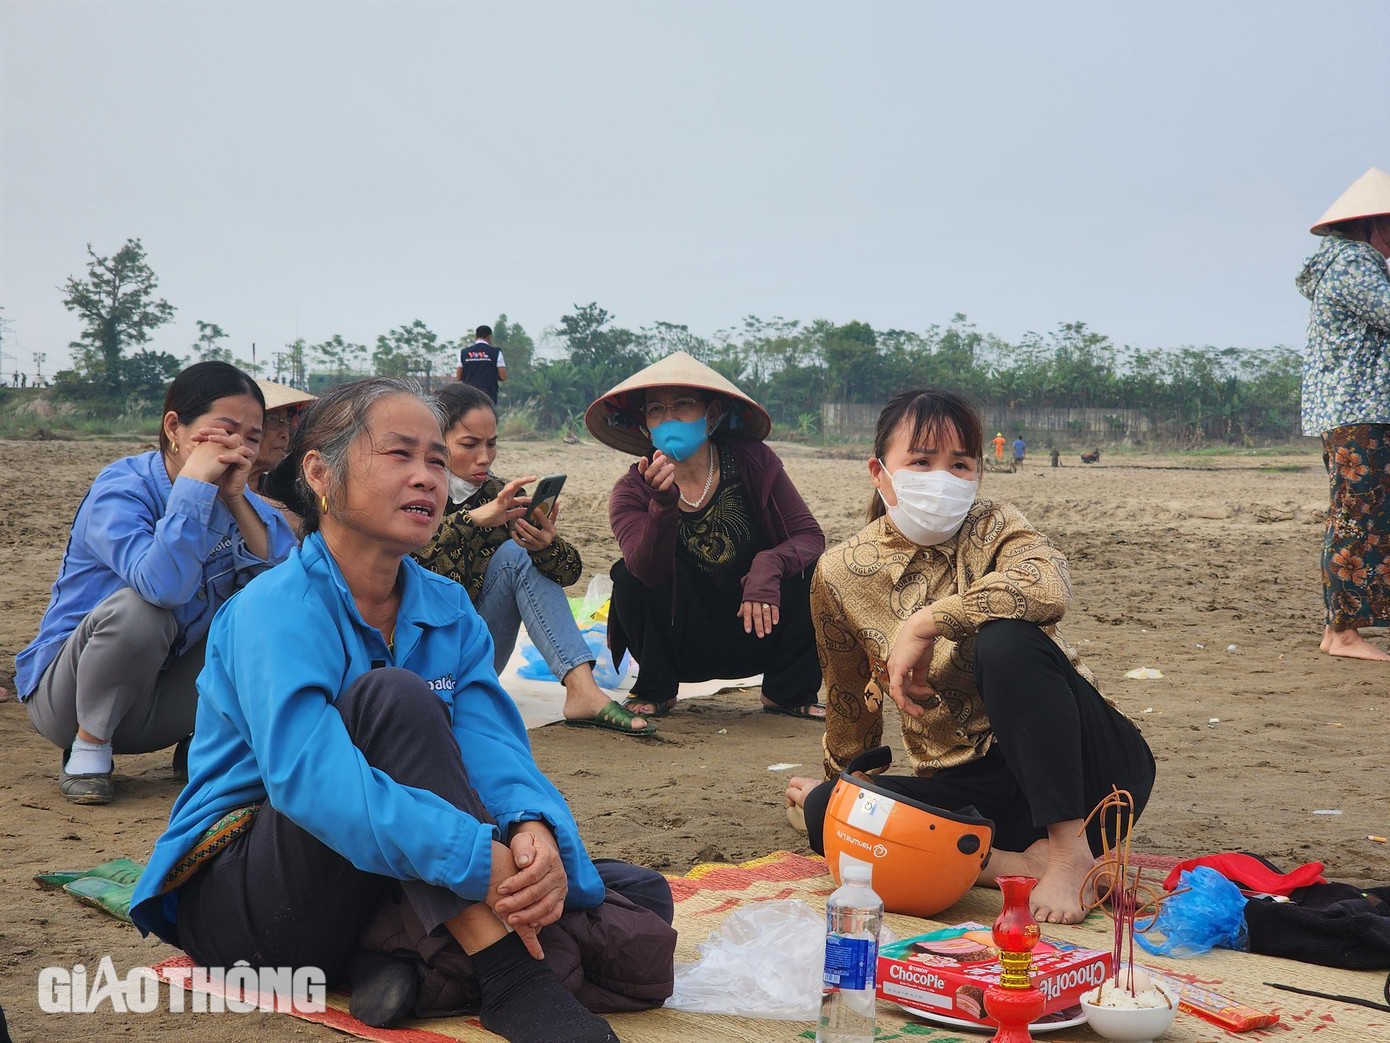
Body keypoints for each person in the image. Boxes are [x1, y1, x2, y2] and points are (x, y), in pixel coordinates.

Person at [129, 378, 676, 1042]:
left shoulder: (447, 607)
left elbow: (491, 746)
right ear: (320, 472)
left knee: (635, 890)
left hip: (362, 884)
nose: (427, 477)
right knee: (394, 699)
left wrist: (532, 829)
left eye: (438, 461)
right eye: (400, 455)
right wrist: (477, 857)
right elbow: (314, 785)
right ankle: (508, 976)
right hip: (253, 904)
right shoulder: (274, 609)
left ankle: (398, 955)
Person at [785, 389, 1154, 924]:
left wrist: (928, 622)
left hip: (1091, 775)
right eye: (921, 462)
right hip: (974, 796)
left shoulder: (996, 526)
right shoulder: (839, 572)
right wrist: (843, 790)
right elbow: (848, 698)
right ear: (878, 472)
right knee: (830, 811)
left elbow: (1050, 587)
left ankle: (1070, 852)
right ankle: (1021, 863)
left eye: (960, 464)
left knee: (1004, 640)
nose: (942, 478)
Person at [14, 362, 297, 805]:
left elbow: (288, 586)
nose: (237, 447)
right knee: (141, 611)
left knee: (263, 611)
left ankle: (208, 739)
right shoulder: (123, 488)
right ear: (174, 428)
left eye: (252, 437)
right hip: (69, 701)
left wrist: (235, 498)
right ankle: (89, 748)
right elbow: (163, 586)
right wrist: (194, 487)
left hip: (160, 706)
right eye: (224, 431)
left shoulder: (235, 497)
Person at [585, 351, 825, 721]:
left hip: (757, 625)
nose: (669, 419)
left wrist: (769, 564)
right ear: (645, 424)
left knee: (819, 571)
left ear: (711, 415)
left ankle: (787, 691)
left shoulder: (753, 462)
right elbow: (647, 570)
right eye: (656, 409)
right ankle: (655, 689)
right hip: (680, 646)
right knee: (627, 574)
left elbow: (808, 535)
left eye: (683, 405)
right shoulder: (631, 491)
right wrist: (663, 505)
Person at [412, 382, 656, 735]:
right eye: (470, 444)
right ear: (437, 441)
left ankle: (583, 691)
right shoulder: (416, 490)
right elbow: (408, 562)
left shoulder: (500, 495)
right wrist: (474, 519)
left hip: (477, 652)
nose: (485, 457)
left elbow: (570, 573)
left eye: (491, 443)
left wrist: (546, 546)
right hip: (418, 658)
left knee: (519, 554)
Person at [1299, 167, 1390, 662]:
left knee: (1351, 515)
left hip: (1349, 411)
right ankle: (1345, 634)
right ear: (1370, 223)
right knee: (1357, 519)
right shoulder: (1354, 263)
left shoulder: (1339, 263)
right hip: (1363, 411)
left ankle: (1337, 631)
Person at [249, 379, 316, 534]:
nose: (285, 434)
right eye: (273, 420)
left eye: (286, 421)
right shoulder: (213, 496)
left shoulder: (286, 490)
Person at [455, 324, 507, 404]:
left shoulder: (464, 353)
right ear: (489, 337)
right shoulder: (496, 353)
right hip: (488, 395)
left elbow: (458, 377)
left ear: (475, 337)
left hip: (469, 395)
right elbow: (503, 377)